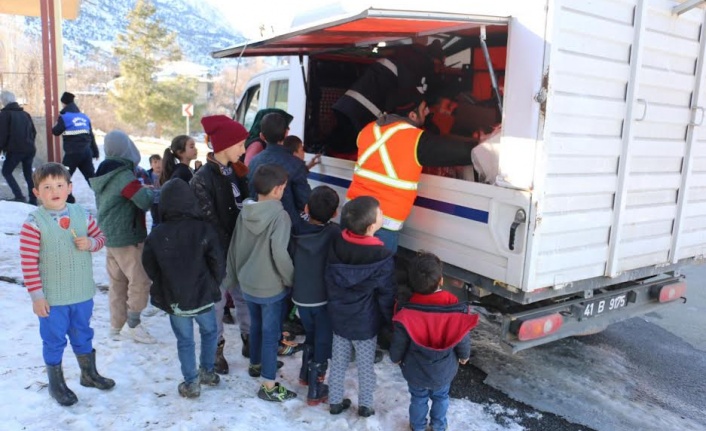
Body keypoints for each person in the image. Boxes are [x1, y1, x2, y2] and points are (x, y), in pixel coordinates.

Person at [19, 162, 115, 406]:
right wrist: (37, 296)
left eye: (60, 185)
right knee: (54, 339)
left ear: (70, 187)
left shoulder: (81, 214)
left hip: (81, 292)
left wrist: (91, 244)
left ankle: (88, 373)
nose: (55, 190)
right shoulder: (34, 222)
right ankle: (56, 383)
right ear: (37, 193)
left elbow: (101, 237)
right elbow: (29, 263)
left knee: (83, 333)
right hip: (53, 298)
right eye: (47, 186)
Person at [346, 86, 477, 252]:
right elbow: (463, 153)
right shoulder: (415, 139)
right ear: (412, 115)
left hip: (351, 213)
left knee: (347, 265)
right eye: (424, 108)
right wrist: (485, 144)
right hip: (380, 226)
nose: (428, 111)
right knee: (375, 274)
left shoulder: (367, 130)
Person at [141, 178, 224, 399]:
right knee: (209, 331)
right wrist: (214, 282)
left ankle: (191, 383)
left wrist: (162, 283)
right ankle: (207, 371)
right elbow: (217, 261)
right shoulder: (204, 229)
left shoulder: (157, 235)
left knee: (185, 341)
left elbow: (149, 265)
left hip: (175, 299)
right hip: (203, 296)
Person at [227, 163, 297, 402]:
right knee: (271, 334)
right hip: (270, 288)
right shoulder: (280, 215)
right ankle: (268, 384)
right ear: (278, 190)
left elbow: (234, 246)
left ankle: (256, 364)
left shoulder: (245, 211)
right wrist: (290, 279)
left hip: (247, 283)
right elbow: (279, 252)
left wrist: (233, 277)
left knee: (255, 325)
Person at [389, 252, 478, 431]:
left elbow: (400, 340)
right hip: (444, 368)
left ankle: (418, 427)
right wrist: (464, 355)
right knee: (441, 397)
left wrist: (395, 357)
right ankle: (438, 426)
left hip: (415, 368)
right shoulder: (454, 305)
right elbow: (461, 335)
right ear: (441, 281)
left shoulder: (406, 310)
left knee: (418, 399)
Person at [190, 115, 251, 375]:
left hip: (239, 250)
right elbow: (208, 222)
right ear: (225, 145)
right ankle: (216, 350)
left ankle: (251, 341)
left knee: (244, 298)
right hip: (218, 254)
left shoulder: (237, 171)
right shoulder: (203, 179)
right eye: (240, 144)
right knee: (216, 304)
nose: (244, 149)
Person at [326, 196, 396, 417]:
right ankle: (365, 406)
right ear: (371, 226)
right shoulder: (383, 256)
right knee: (366, 367)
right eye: (380, 213)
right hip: (365, 324)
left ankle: (335, 402)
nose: (383, 214)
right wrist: (388, 321)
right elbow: (386, 295)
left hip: (338, 318)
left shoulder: (337, 242)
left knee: (338, 363)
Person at [90, 130, 156, 344]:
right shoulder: (124, 175)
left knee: (117, 283)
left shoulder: (104, 172)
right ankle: (134, 324)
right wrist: (149, 191)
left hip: (109, 236)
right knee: (140, 280)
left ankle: (116, 326)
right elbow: (143, 201)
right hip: (127, 237)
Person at [327, 41, 445, 156]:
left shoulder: (409, 57)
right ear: (432, 58)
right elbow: (414, 97)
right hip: (362, 112)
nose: (438, 70)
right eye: (439, 65)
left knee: (338, 147)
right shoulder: (418, 64)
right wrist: (427, 122)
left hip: (350, 105)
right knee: (346, 151)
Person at [290, 185, 341, 405]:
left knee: (310, 335)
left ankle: (304, 374)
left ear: (306, 208)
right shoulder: (333, 233)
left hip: (300, 296)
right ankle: (316, 388)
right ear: (335, 213)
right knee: (322, 341)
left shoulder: (296, 229)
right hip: (322, 299)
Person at [248, 112, 311, 226]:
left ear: (262, 136)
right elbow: (304, 202)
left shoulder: (253, 162)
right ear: (286, 133)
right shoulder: (296, 164)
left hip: (257, 224)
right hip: (287, 227)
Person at [52, 92, 99, 204]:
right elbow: (91, 135)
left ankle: (69, 200)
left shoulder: (64, 117)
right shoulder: (84, 117)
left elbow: (56, 132)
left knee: (62, 177)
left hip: (72, 154)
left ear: (63, 103)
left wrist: (56, 123)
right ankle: (104, 197)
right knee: (92, 178)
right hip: (86, 153)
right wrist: (95, 152)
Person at [0, 91, 37, 204]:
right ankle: (33, 199)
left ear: (4, 101)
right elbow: (33, 132)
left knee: (6, 171)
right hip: (30, 149)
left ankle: (19, 195)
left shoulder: (4, 115)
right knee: (28, 174)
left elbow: (2, 134)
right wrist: (29, 143)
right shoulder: (25, 114)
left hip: (16, 149)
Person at [146, 154, 162, 226]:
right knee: (155, 220)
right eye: (155, 162)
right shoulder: (147, 175)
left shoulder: (166, 174)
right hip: (153, 202)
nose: (158, 164)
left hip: (163, 201)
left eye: (160, 162)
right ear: (151, 165)